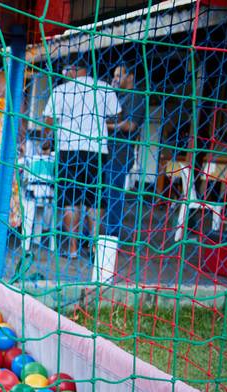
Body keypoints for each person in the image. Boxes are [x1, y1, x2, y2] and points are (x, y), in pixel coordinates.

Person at [43, 59, 120, 258]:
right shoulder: (104, 88)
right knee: (95, 202)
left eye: (67, 69)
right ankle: (94, 247)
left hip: (69, 150)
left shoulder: (61, 91)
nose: (64, 72)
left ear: (76, 69)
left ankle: (73, 249)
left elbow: (48, 120)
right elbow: (116, 115)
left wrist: (49, 138)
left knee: (71, 201)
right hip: (96, 150)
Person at [104, 64, 146, 241]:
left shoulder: (136, 97)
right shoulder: (117, 95)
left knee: (114, 196)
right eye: (113, 75)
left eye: (118, 75)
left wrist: (104, 126)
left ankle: (111, 237)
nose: (114, 79)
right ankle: (97, 233)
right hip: (107, 151)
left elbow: (130, 126)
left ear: (130, 76)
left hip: (120, 154)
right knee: (103, 194)